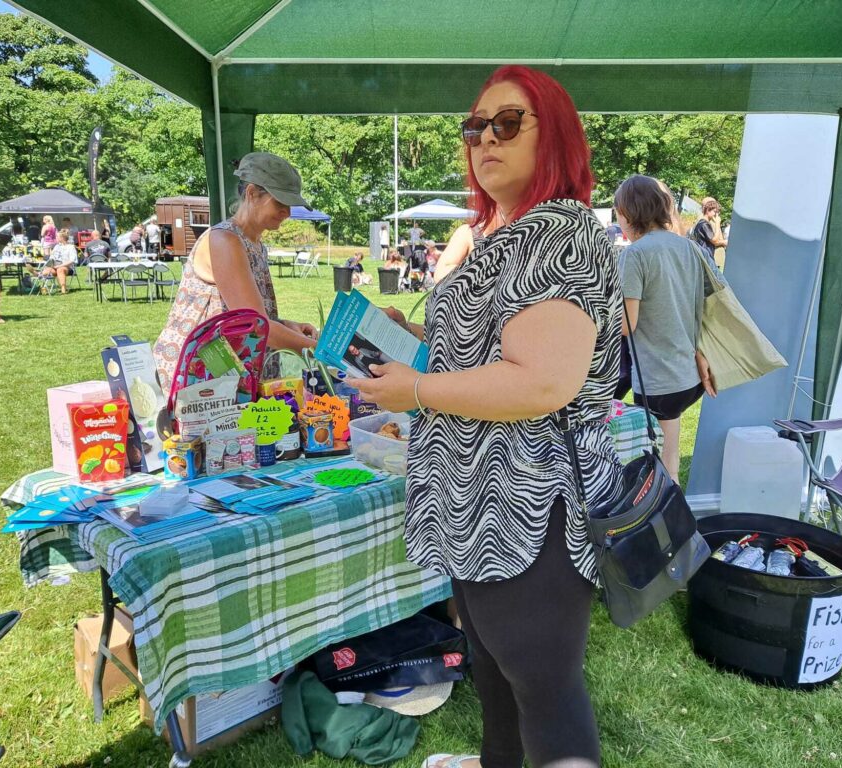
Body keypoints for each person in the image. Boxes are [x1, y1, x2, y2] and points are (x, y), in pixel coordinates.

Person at [349, 65, 620, 768]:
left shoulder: (558, 231)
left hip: (528, 506)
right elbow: (479, 355)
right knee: (500, 681)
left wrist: (418, 391)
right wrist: (408, 342)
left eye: (507, 123)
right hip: (481, 505)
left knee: (545, 692)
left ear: (554, 134)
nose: (484, 138)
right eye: (475, 127)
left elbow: (541, 385)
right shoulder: (507, 232)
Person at [153, 151, 320, 395]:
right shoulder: (224, 240)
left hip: (227, 373)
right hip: (199, 377)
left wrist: (286, 325)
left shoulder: (255, 243)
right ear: (252, 193)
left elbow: (243, 315)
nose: (287, 212)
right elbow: (257, 325)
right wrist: (320, 350)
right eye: (280, 203)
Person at [614, 175, 717, 482]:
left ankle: (671, 526)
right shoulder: (689, 248)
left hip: (658, 381)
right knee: (667, 457)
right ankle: (673, 523)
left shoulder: (634, 255)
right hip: (688, 375)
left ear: (629, 213)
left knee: (661, 470)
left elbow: (626, 325)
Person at [689, 197, 726, 272]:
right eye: (715, 211)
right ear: (708, 210)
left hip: (708, 258)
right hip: (705, 258)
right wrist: (718, 224)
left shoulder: (706, 222)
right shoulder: (704, 223)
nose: (716, 214)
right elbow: (714, 240)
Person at [37, 228, 78, 293]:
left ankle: (63, 289)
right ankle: (38, 274)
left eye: (57, 237)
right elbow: (52, 258)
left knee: (60, 269)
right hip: (55, 266)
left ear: (62, 238)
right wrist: (51, 264)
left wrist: (59, 266)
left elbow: (72, 260)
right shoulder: (56, 246)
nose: (55, 237)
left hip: (67, 267)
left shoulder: (71, 247)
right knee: (47, 271)